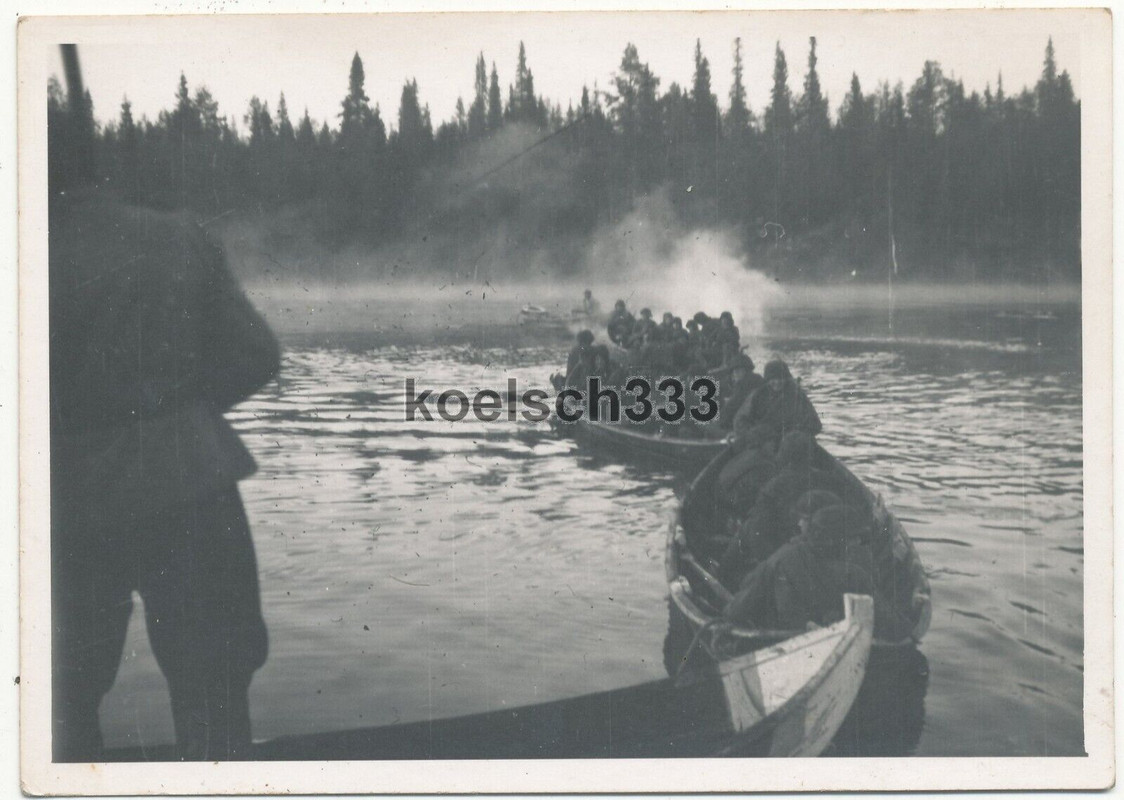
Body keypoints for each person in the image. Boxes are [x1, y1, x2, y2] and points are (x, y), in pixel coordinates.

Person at [49, 53, 280, 760]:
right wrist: (173, 411)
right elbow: (255, 357)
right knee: (215, 690)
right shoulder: (179, 236)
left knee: (60, 696)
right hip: (191, 482)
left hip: (67, 500)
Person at [725, 505, 875, 630]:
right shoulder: (784, 560)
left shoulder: (783, 557)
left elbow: (735, 611)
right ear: (833, 541)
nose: (858, 544)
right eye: (854, 540)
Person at [732, 358, 822, 445]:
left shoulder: (796, 395)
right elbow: (741, 420)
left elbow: (815, 424)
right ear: (767, 380)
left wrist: (792, 434)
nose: (777, 382)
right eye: (773, 379)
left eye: (781, 378)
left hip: (790, 443)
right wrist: (751, 433)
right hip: (763, 440)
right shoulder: (759, 394)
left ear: (786, 378)